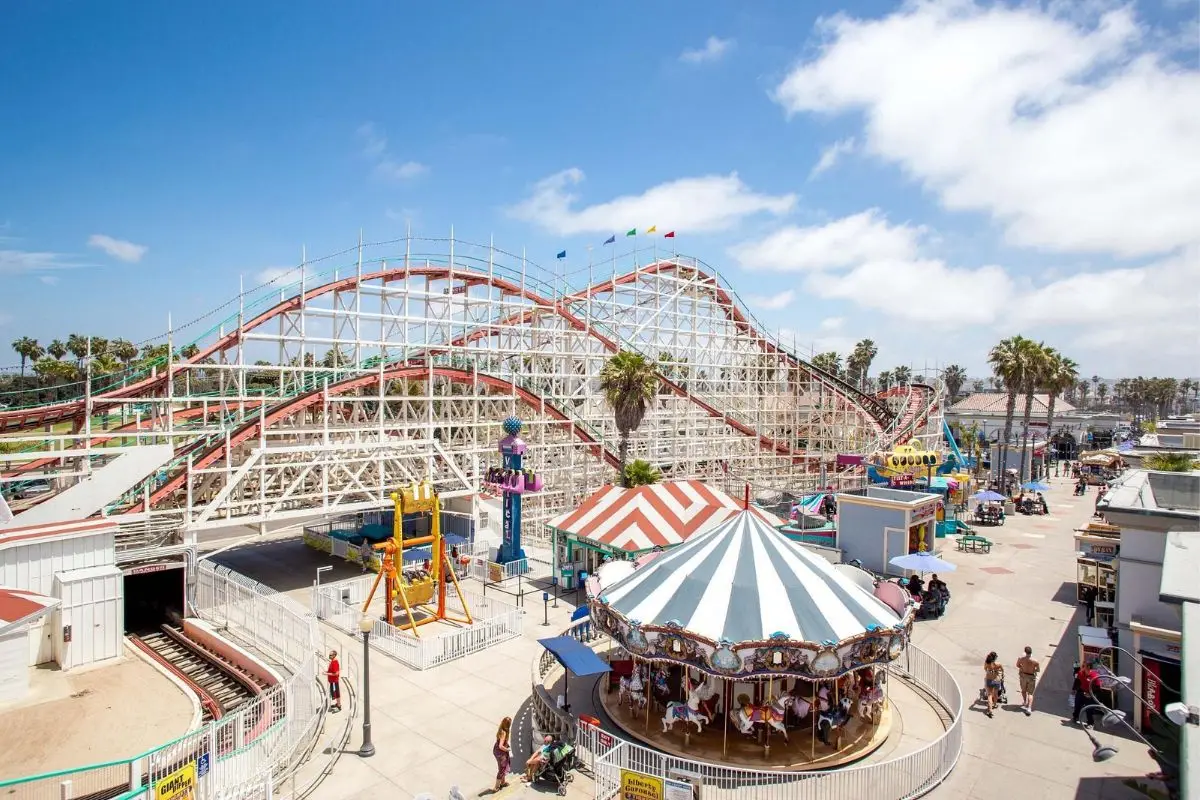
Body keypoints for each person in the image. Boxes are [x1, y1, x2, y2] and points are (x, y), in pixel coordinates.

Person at [1071, 661, 1102, 727]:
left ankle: (1090, 723)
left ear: (1088, 667)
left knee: (1089, 709)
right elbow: (1077, 681)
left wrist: (1090, 694)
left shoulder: (1094, 676)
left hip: (1090, 694)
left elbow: (1098, 688)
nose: (1082, 667)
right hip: (1081, 692)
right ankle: (1075, 717)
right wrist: (1074, 689)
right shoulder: (1080, 673)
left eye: (1083, 666)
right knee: (1077, 705)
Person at [1016, 646, 1040, 715]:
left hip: (1023, 676)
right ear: (1031, 652)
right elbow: (1038, 670)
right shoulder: (1035, 661)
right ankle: (1029, 708)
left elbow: (1017, 665)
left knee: (1023, 690)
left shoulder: (1021, 659)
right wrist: (1033, 670)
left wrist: (1022, 668)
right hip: (1031, 677)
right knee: (1030, 693)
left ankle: (1024, 702)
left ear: (1025, 652)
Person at [491, 717, 512, 792]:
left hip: (496, 750)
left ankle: (502, 782)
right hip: (501, 752)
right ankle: (496, 787)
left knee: (503, 767)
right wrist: (507, 749)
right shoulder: (504, 732)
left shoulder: (501, 729)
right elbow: (501, 746)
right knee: (502, 769)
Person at [983, 652, 1003, 718]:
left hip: (989, 680)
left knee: (989, 695)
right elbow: (1002, 671)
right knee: (996, 693)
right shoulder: (998, 664)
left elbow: (985, 669)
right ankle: (994, 704)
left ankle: (990, 710)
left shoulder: (987, 663)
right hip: (997, 680)